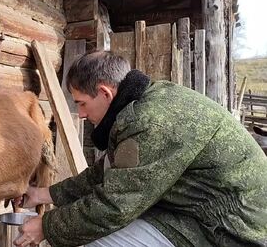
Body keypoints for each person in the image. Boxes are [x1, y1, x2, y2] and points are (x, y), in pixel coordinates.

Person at [13, 51, 267, 247]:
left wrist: (46, 227)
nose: (80, 114)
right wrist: (44, 194)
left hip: (232, 230)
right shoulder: (143, 102)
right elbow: (107, 174)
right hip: (201, 212)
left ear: (104, 93)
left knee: (99, 241)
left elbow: (115, 206)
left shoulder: (150, 123)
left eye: (81, 103)